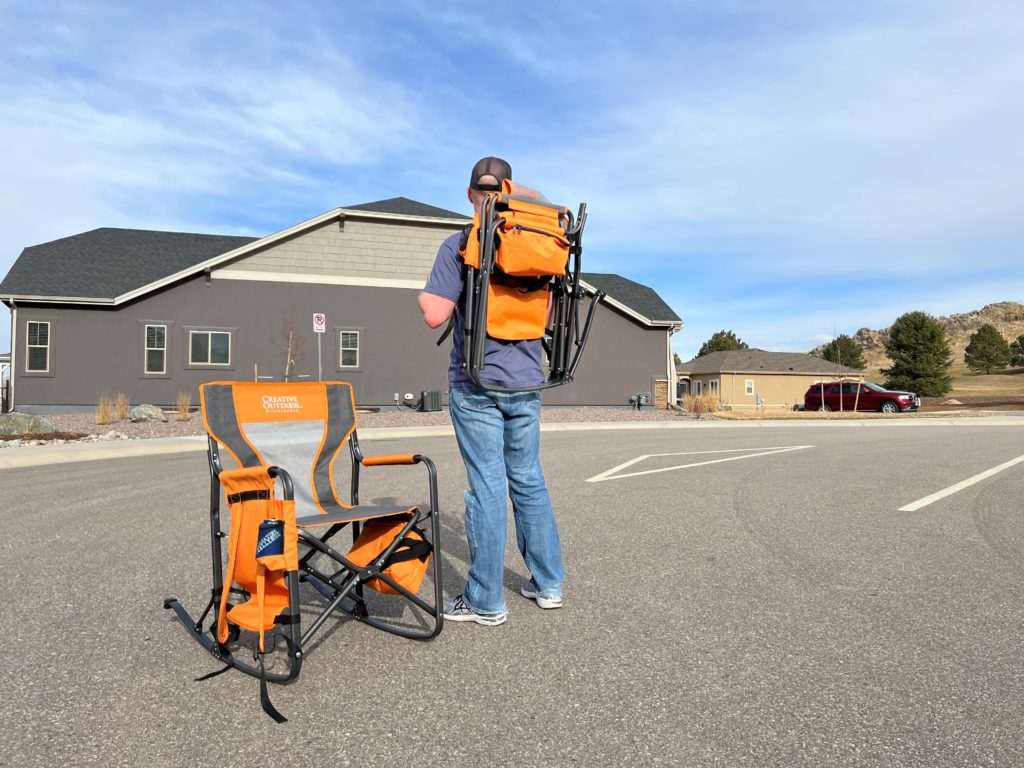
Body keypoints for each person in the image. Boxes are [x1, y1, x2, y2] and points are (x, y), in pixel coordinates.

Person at [418, 156, 564, 626]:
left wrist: (430, 294)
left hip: (476, 381)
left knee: (486, 486)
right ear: (508, 188)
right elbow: (547, 320)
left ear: (469, 194)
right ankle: (548, 584)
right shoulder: (541, 242)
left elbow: (435, 316)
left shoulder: (461, 243)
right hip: (527, 381)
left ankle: (484, 600)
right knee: (528, 478)